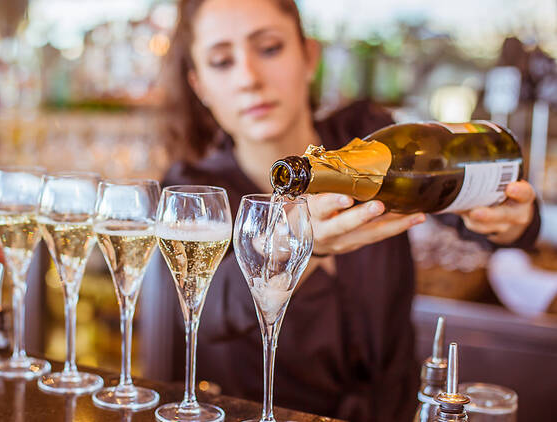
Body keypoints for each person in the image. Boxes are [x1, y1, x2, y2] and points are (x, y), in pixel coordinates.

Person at [154, 0, 541, 420]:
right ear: (200, 86)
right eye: (222, 61)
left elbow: (476, 208)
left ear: (308, 57)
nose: (249, 78)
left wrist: (510, 221)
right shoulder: (193, 190)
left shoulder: (368, 140)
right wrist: (298, 245)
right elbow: (205, 311)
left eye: (268, 49)